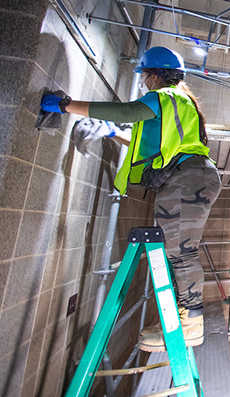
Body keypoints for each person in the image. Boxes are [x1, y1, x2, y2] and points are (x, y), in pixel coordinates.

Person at [40, 46, 220, 351]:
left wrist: (67, 105)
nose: (144, 83)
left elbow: (128, 112)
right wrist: (113, 133)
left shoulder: (166, 96)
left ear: (154, 74)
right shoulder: (179, 104)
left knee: (181, 253)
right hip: (191, 176)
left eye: (145, 76)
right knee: (179, 251)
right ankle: (188, 316)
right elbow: (151, 141)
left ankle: (191, 323)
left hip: (187, 178)